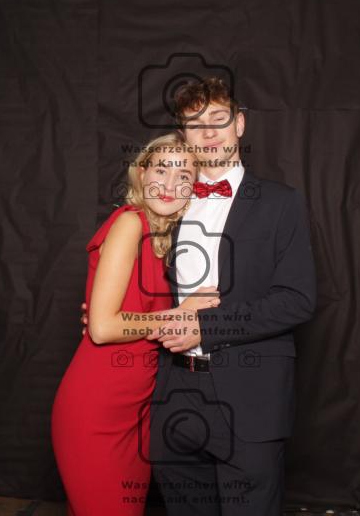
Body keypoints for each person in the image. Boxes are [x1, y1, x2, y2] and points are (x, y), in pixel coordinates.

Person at [144, 77, 317, 515]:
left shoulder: (281, 203)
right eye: (195, 124)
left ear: (239, 124)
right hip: (174, 390)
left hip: (251, 393)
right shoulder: (169, 202)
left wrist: (204, 327)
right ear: (183, 135)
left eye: (218, 119)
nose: (209, 132)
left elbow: (297, 299)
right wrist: (109, 314)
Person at [51, 133, 220, 515]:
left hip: (138, 411)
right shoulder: (130, 222)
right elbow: (102, 329)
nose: (170, 184)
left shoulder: (168, 239)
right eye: (161, 170)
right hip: (97, 408)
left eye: (184, 176)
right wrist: (181, 313)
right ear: (141, 174)